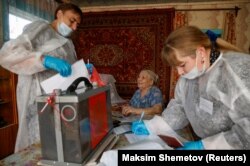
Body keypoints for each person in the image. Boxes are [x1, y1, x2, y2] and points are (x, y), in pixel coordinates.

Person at [131, 26, 250, 150]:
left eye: (182, 65)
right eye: (175, 67)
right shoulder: (187, 79)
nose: (179, 72)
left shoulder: (237, 73)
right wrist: (152, 126)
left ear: (201, 53)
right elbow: (180, 108)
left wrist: (206, 146)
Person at [0, 3, 89, 152]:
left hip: (60, 100)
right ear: (59, 14)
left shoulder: (68, 43)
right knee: (40, 144)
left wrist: (83, 71)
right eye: (72, 20)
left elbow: (69, 70)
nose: (74, 27)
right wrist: (43, 60)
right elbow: (7, 54)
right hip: (38, 100)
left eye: (77, 25)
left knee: (60, 144)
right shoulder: (41, 28)